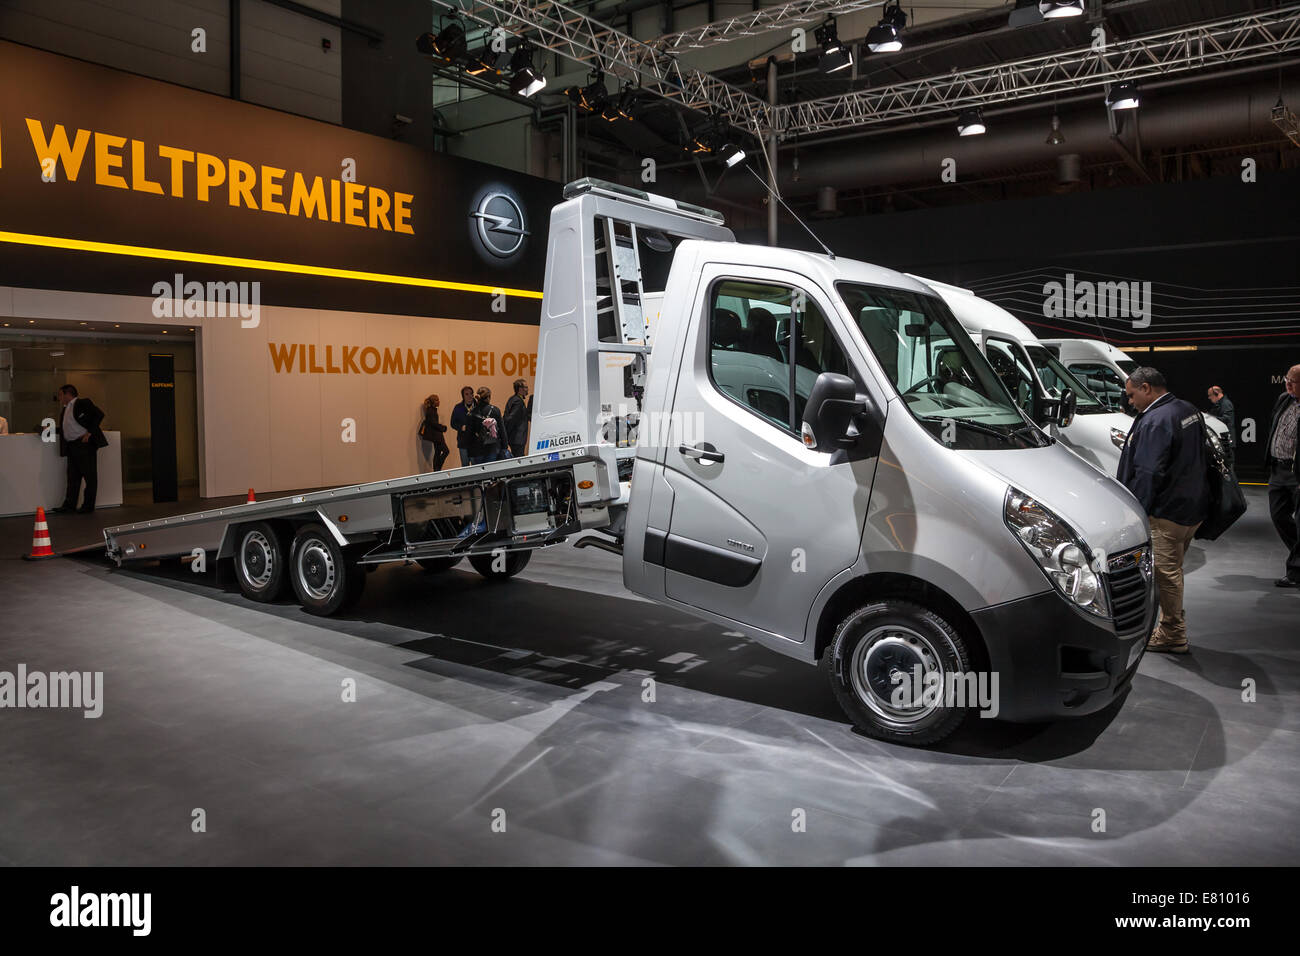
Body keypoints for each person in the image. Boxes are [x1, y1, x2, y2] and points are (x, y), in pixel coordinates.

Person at [1117, 367, 1210, 654]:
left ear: (1147, 388)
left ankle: (1173, 634)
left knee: (1166, 574)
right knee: (1175, 570)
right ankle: (1171, 624)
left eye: (1132, 395)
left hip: (1166, 511)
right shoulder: (1187, 409)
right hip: (1191, 507)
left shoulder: (1156, 421)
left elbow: (1148, 472)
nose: (1130, 402)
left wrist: (1136, 513)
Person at [1266, 364, 1300, 588]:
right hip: (1278, 470)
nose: (1288, 383)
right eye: (1286, 379)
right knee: (1279, 516)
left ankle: (1295, 571)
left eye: (1293, 381)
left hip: (1297, 474)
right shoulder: (1284, 399)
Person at [51, 384, 108, 515]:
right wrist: (51, 430)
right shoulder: (66, 409)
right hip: (72, 446)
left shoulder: (82, 403)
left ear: (67, 394)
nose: (59, 397)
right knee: (72, 477)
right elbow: (69, 427)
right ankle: (69, 505)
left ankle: (88, 506)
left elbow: (99, 415)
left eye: (60, 394)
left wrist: (89, 433)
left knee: (89, 477)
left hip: (84, 445)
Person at [466, 386, 505, 465]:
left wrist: (469, 452)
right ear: (489, 397)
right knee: (491, 473)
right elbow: (502, 429)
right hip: (493, 447)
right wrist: (504, 446)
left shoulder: (472, 413)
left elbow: (469, 434)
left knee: (479, 475)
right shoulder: (495, 410)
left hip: (477, 449)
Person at [417, 394, 450, 472]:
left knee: (438, 452)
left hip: (436, 436)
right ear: (432, 402)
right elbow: (433, 423)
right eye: (436, 400)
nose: (439, 402)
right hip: (437, 436)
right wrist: (443, 428)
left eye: (438, 400)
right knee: (446, 451)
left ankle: (437, 469)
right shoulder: (431, 411)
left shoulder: (432, 410)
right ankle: (437, 468)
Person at [1206, 385, 1236, 469]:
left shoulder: (1226, 404)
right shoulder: (1219, 404)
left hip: (1226, 441)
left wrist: (1210, 417)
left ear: (1216, 393)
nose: (1209, 398)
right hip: (1222, 440)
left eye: (1210, 395)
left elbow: (1227, 419)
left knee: (1228, 467)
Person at [448, 385, 476, 468]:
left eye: (471, 393)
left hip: (476, 442)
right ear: (463, 396)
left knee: (476, 466)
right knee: (465, 466)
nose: (469, 396)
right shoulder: (458, 408)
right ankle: (467, 481)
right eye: (466, 394)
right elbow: (452, 423)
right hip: (463, 442)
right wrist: (460, 427)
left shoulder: (478, 406)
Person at [503, 379, 531, 458]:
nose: (527, 389)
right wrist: (507, 435)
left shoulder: (513, 399)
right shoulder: (518, 402)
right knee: (519, 460)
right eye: (526, 387)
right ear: (520, 389)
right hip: (517, 439)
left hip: (515, 438)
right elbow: (510, 419)